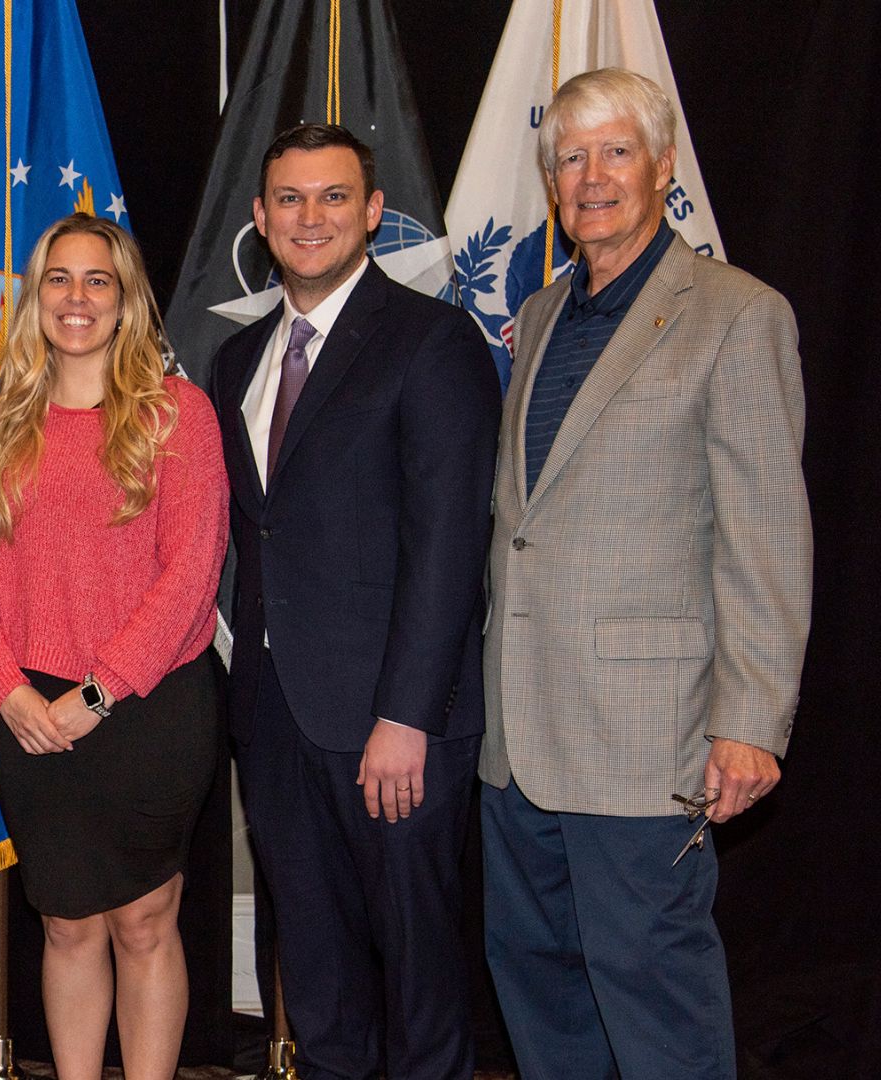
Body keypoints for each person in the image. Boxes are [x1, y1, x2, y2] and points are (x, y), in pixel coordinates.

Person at [480, 68, 810, 1080]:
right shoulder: (541, 313)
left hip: (643, 735)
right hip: (519, 734)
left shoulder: (736, 314)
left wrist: (750, 718)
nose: (592, 177)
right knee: (541, 986)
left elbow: (766, 531)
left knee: (653, 994)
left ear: (664, 167)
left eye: (616, 152)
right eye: (571, 158)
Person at [208, 125, 500, 1080]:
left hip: (393, 726)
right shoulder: (237, 359)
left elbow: (449, 548)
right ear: (260, 218)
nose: (311, 217)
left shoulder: (432, 341)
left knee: (419, 979)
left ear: (373, 212)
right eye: (290, 199)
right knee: (318, 977)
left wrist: (406, 717)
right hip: (274, 718)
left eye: (333, 196)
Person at [0, 214, 228, 1080]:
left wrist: (99, 693)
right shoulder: (0, 428)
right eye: (58, 279)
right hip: (28, 711)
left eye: (97, 280)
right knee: (66, 924)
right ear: (36, 299)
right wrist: (7, 688)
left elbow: (191, 574)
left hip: (149, 708)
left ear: (126, 298)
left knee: (144, 922)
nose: (77, 297)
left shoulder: (178, 415)